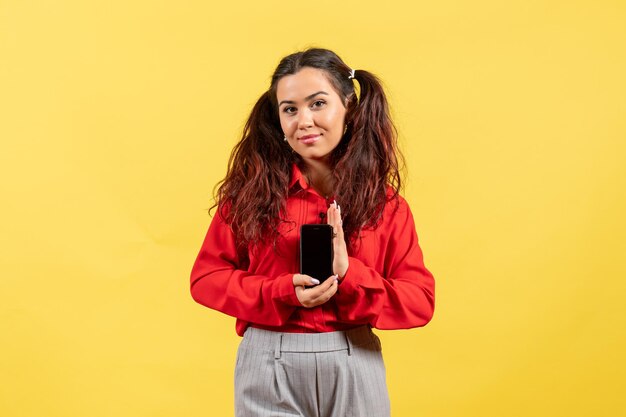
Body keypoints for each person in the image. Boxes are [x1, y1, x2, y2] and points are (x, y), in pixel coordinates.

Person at [190, 48, 435, 417]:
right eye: (289, 108)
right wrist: (281, 291)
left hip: (354, 358)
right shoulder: (247, 196)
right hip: (268, 359)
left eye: (318, 103)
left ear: (348, 107)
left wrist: (351, 273)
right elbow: (206, 279)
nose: (304, 120)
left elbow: (419, 302)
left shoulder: (387, 204)